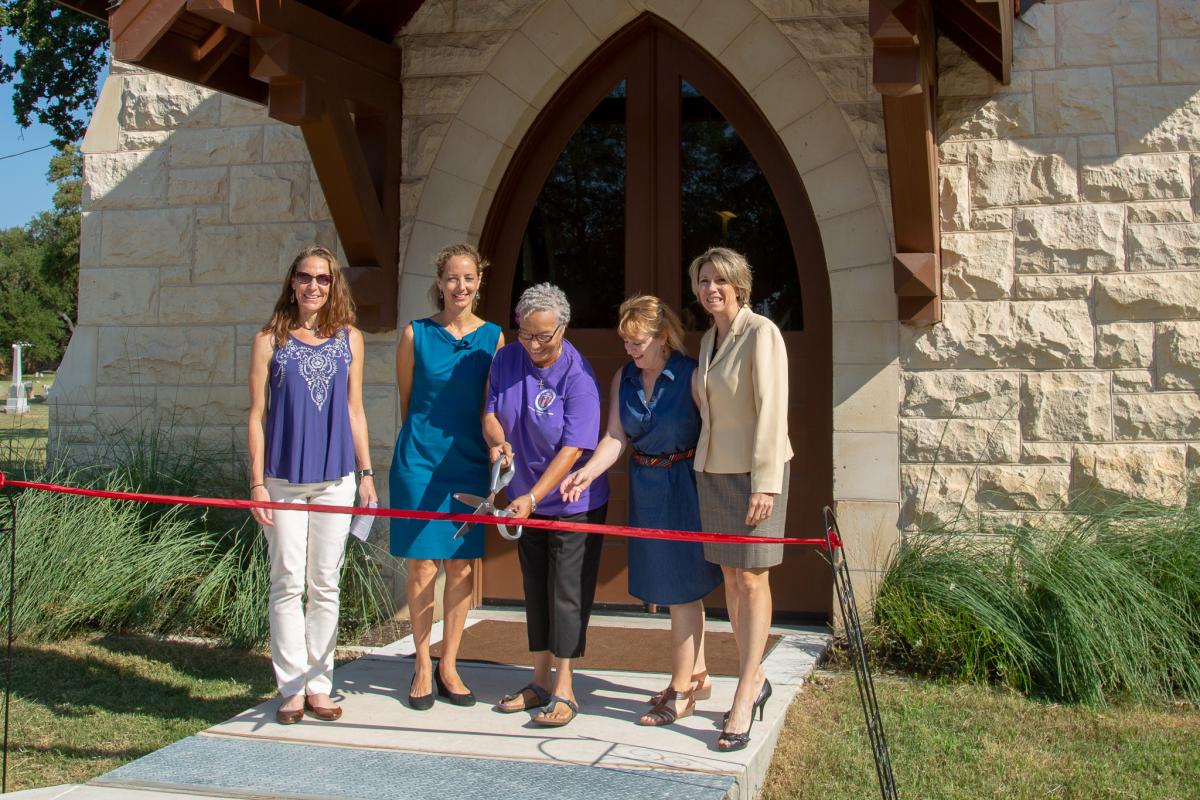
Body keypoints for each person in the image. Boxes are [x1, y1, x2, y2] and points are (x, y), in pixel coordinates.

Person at [560, 294, 722, 726]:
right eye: (626, 342)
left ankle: (682, 689)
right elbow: (615, 437)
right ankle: (699, 673)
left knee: (684, 588)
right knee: (675, 588)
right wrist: (587, 473)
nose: (630, 350)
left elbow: (715, 433)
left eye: (638, 342)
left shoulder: (690, 375)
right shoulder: (623, 378)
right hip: (646, 487)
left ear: (663, 336)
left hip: (684, 486)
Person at [247, 245, 377, 725]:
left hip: (336, 480)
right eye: (306, 277)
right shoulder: (269, 340)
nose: (314, 286)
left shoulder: (350, 339)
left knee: (325, 584)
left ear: (333, 284)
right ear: (292, 282)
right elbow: (256, 415)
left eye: (323, 279)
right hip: (281, 480)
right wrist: (257, 482)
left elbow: (354, 409)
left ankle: (321, 684)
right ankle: (291, 688)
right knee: (286, 582)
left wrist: (366, 474)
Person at [483, 283, 609, 727]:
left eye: (544, 338)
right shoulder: (506, 358)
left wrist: (534, 497)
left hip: (571, 502)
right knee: (535, 587)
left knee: (566, 595)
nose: (534, 346)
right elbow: (491, 412)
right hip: (524, 498)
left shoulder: (579, 377)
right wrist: (499, 443)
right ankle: (538, 680)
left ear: (563, 328)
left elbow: (574, 449)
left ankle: (565, 688)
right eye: (527, 335)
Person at [389, 244, 503, 710]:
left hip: (470, 462)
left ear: (480, 282)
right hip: (419, 460)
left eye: (469, 278)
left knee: (459, 566)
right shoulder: (414, 334)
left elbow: (492, 405)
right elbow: (408, 400)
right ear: (439, 282)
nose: (461, 287)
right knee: (422, 565)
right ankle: (420, 660)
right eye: (452, 278)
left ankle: (450, 663)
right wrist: (416, 449)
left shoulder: (495, 338)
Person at [689, 246, 792, 752]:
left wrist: (766, 483)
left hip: (755, 474)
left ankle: (749, 686)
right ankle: (751, 676)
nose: (711, 288)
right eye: (704, 280)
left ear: (739, 285)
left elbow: (772, 410)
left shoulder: (761, 333)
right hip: (713, 472)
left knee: (752, 576)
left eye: (720, 280)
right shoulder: (709, 339)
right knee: (730, 578)